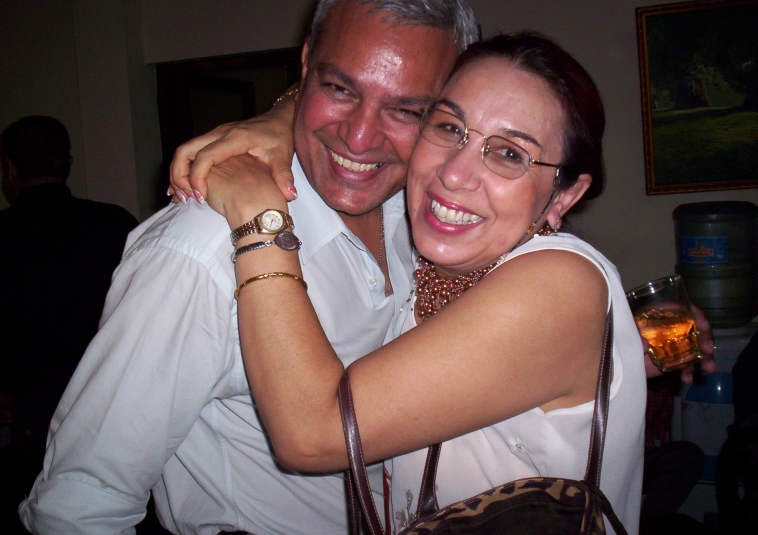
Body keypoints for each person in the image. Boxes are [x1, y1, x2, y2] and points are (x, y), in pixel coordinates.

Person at [19, 0, 477, 535]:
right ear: (305, 66)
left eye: (406, 110)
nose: (360, 138)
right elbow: (79, 502)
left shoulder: (417, 218)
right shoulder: (200, 249)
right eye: (339, 88)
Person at [199, 33, 647, 533]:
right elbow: (366, 121)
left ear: (564, 196)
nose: (454, 174)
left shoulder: (559, 284)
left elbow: (313, 434)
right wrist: (279, 119)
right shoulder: (416, 249)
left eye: (509, 154)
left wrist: (258, 214)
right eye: (450, 128)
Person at [0, 116, 138, 531]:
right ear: (67, 164)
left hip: (29, 423)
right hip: (113, 412)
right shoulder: (117, 225)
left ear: (9, 168)